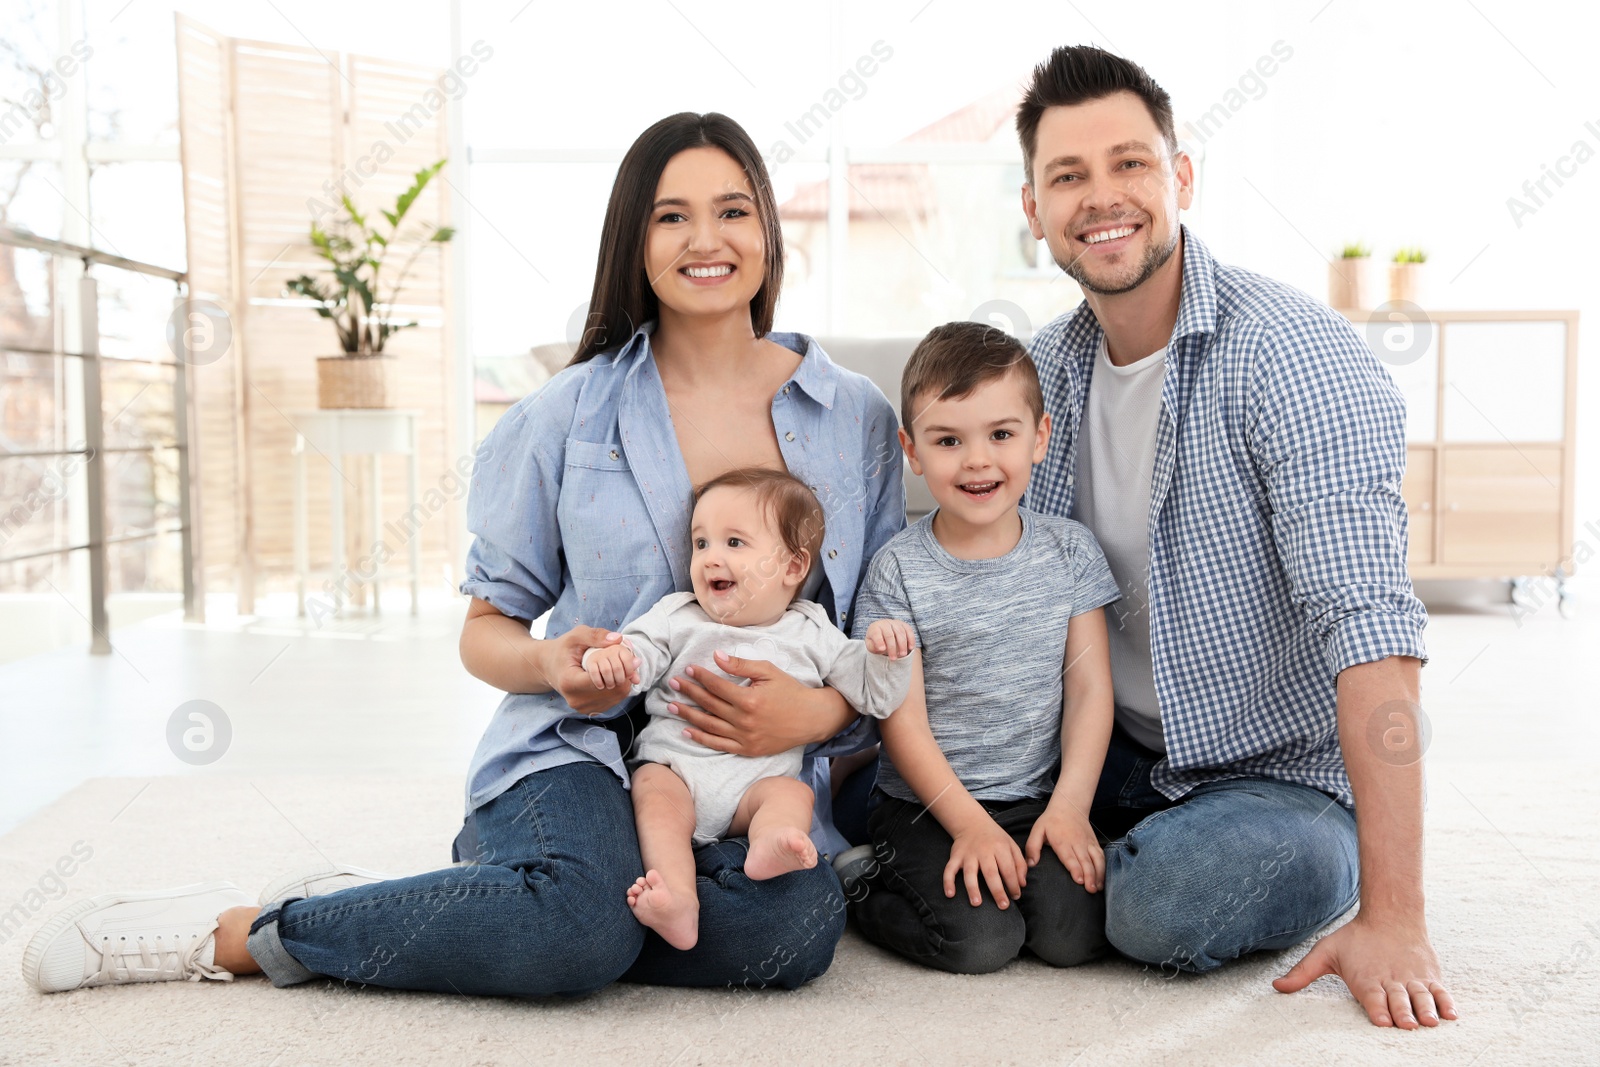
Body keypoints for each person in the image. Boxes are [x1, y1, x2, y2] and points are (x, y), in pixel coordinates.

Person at [23, 112, 905, 996]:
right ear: (634, 239)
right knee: (579, 934)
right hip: (581, 750)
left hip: (753, 778)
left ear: (768, 231)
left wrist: (817, 717)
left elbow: (876, 638)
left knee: (789, 931)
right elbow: (487, 629)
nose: (706, 240)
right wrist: (550, 662)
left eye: (734, 211)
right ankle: (246, 934)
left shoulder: (854, 414)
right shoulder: (562, 414)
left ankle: (508, 900)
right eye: (672, 216)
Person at [1014, 45, 1456, 1028]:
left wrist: (1398, 915)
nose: (1101, 196)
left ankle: (1287, 871)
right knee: (932, 824)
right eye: (1067, 176)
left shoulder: (1291, 354)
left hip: (1276, 774)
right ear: (1033, 208)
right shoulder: (1041, 374)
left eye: (1128, 163)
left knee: (1167, 899)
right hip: (1109, 752)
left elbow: (1371, 629)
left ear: (1179, 176)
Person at [846, 321, 1120, 974]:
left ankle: (1025, 860)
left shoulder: (1070, 551)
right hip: (924, 806)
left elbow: (1089, 690)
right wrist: (967, 825)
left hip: (1035, 799)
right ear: (913, 450)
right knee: (981, 941)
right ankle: (861, 883)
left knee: (1072, 935)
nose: (977, 460)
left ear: (1040, 438)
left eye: (1001, 434)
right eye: (948, 440)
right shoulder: (898, 570)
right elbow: (900, 721)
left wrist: (1071, 808)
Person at [584, 467, 914, 951]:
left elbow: (874, 695)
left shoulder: (810, 628)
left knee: (791, 794)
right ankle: (678, 901)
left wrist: (887, 656)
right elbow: (640, 653)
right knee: (652, 792)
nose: (711, 558)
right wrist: (614, 658)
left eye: (734, 543)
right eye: (701, 544)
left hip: (754, 790)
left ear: (793, 566)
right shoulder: (679, 615)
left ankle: (770, 844)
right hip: (680, 770)